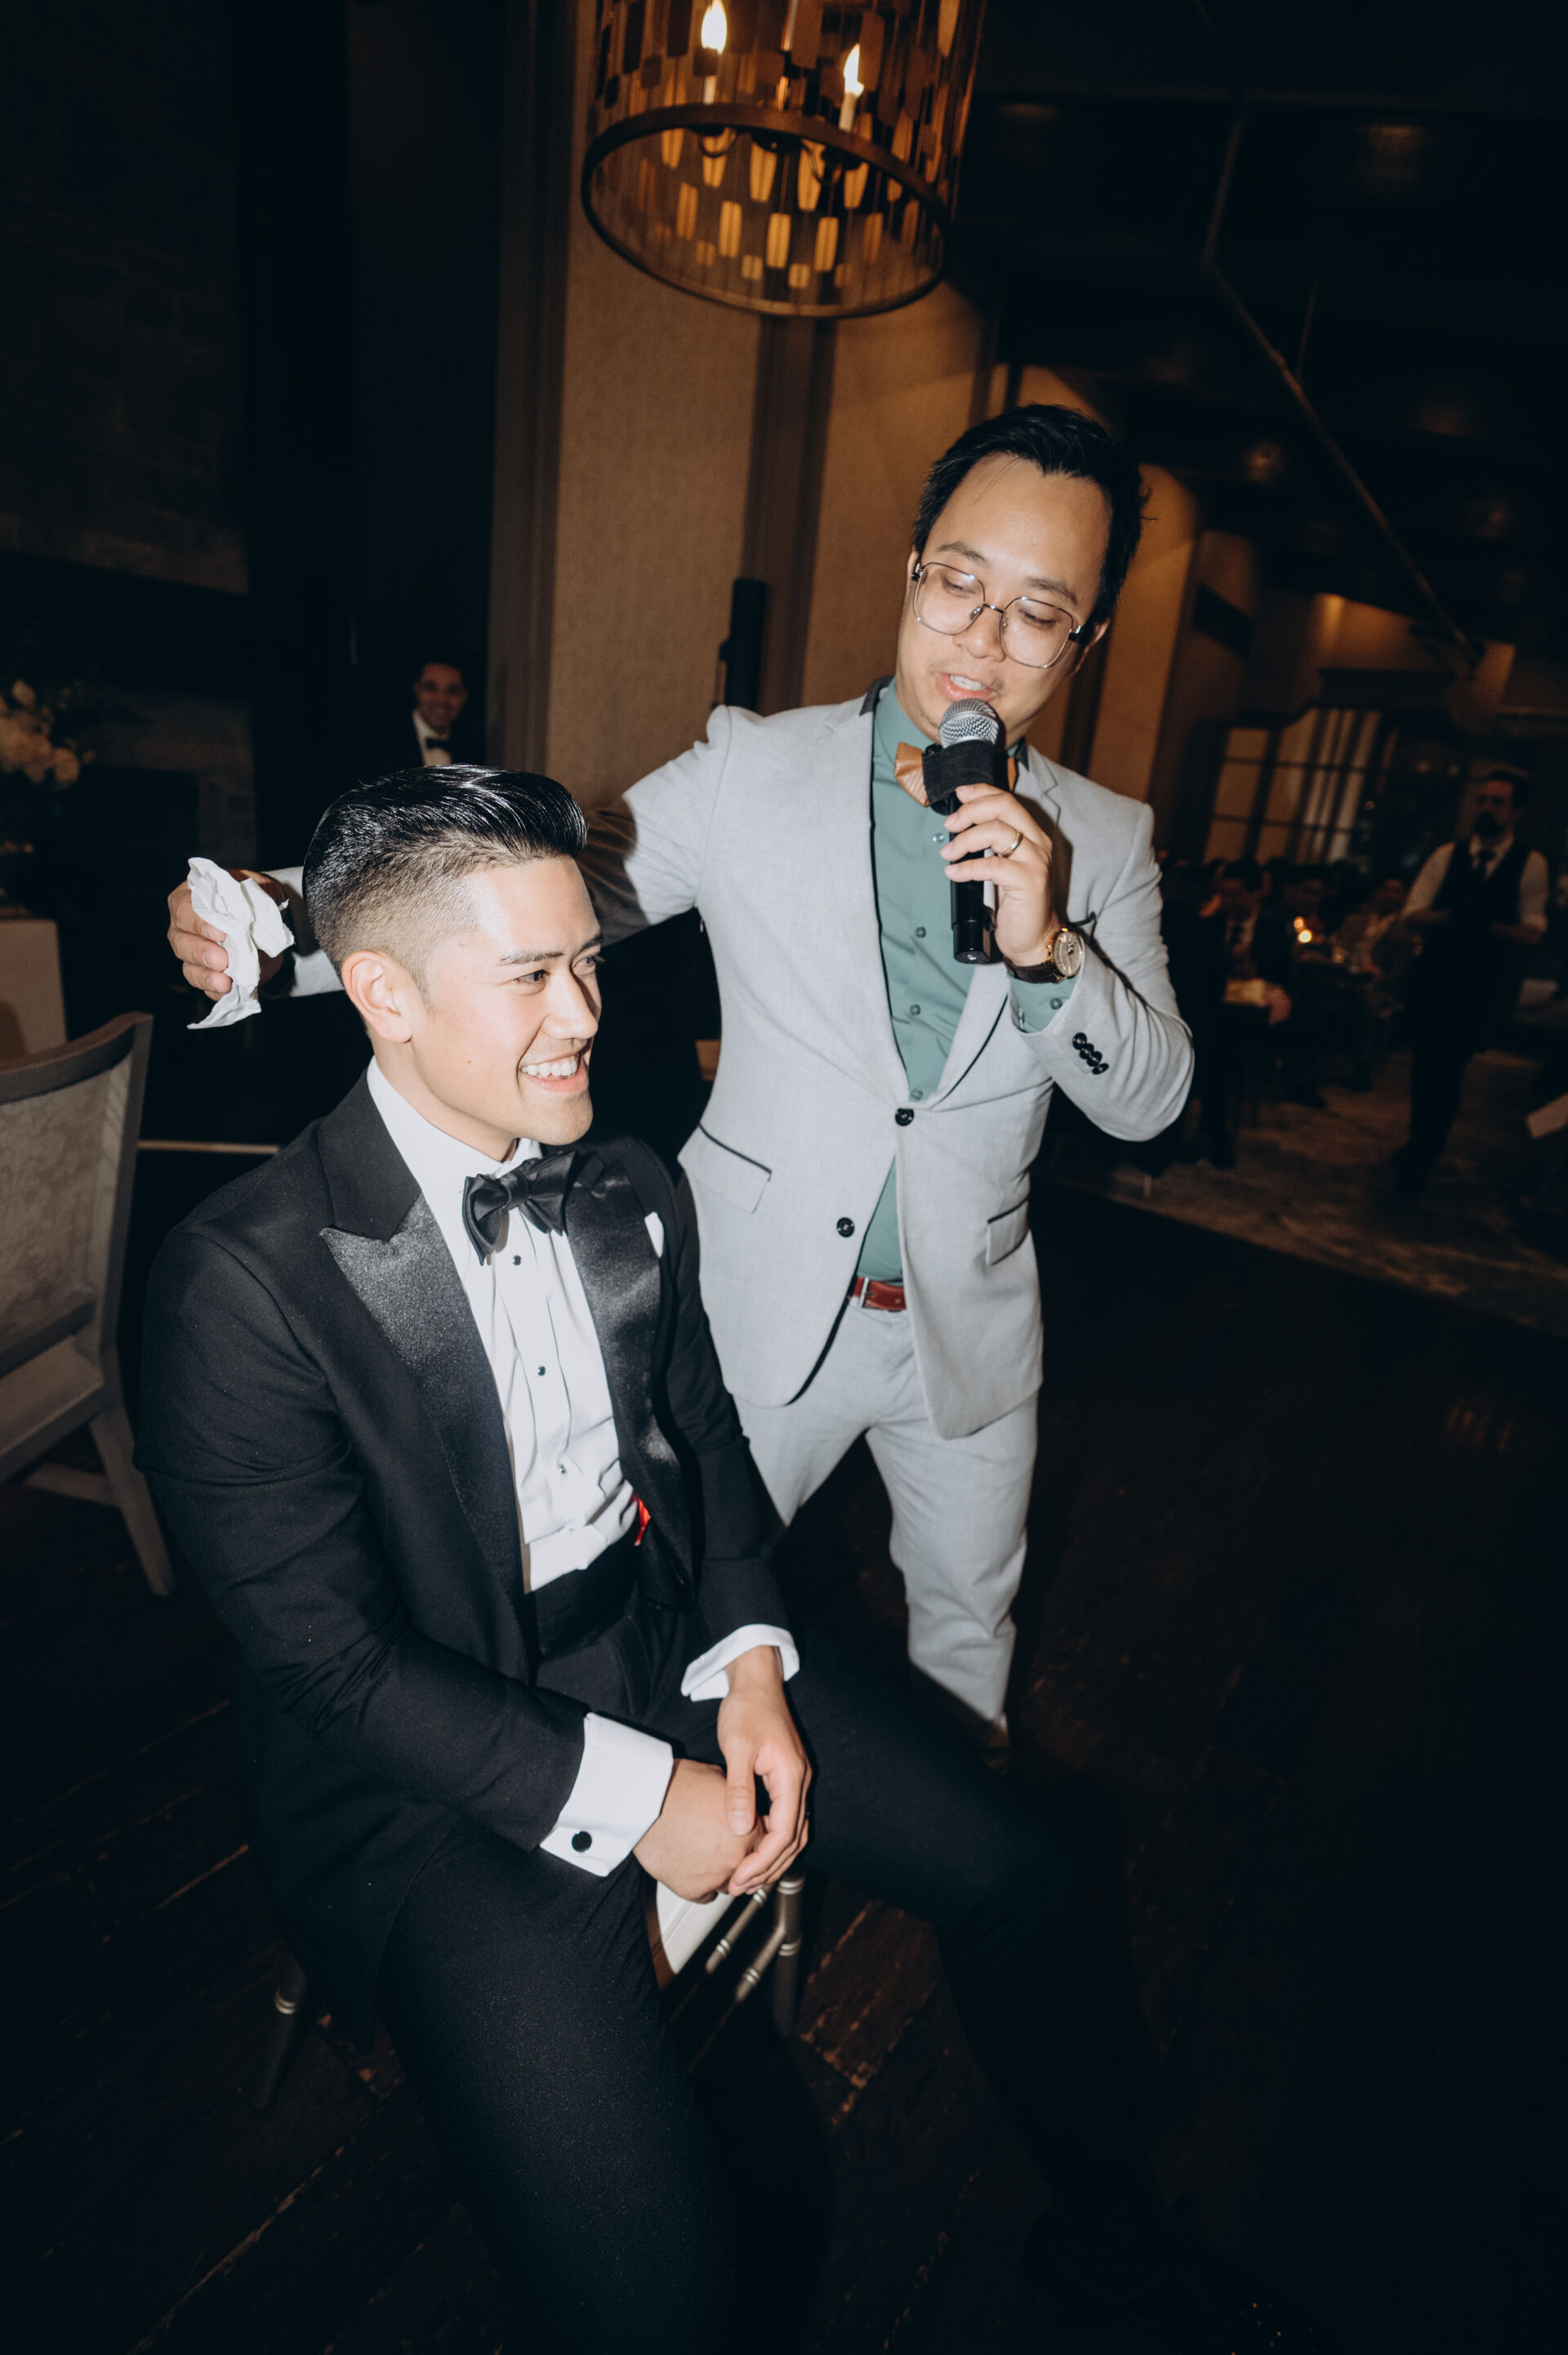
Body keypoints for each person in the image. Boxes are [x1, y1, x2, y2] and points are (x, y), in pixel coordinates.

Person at [136, 769, 1294, 2354]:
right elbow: (339, 1676)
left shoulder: (630, 1178)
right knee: (668, 2299)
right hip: (432, 1781)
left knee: (1018, 1865)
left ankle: (1117, 2236)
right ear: (384, 996)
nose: (585, 1012)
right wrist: (646, 1799)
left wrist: (748, 1662)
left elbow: (706, 1443)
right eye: (532, 975)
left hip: (662, 1643)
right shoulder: (242, 1281)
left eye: (587, 960)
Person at [166, 406, 1195, 1746]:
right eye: (960, 582)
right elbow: (531, 887)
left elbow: (1149, 1098)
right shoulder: (756, 769)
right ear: (911, 570)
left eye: (1038, 611)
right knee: (689, 1624)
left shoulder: (1105, 841)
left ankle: (957, 1842)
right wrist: (278, 923)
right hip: (752, 1314)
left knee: (969, 1635)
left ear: (1084, 638)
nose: (985, 639)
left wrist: (1049, 946)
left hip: (973, 1330)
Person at [1395, 768, 1549, 1199]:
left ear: (1516, 812)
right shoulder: (1447, 855)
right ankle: (1419, 1143)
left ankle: (1422, 1154)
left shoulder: (1530, 864)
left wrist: (1493, 926)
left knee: (1447, 1071)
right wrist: (1451, 916)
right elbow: (1412, 913)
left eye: (1497, 802)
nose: (1486, 808)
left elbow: (1534, 930)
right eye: (1481, 800)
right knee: (1424, 1068)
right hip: (1433, 980)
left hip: (1479, 986)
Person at [359, 650, 483, 778]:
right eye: (431, 688)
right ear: (417, 690)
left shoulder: (471, 751)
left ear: (464, 696)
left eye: (452, 691)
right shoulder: (379, 741)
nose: (441, 700)